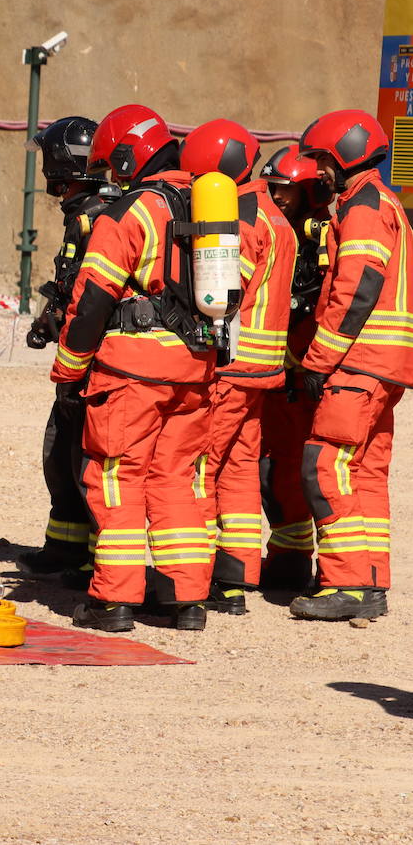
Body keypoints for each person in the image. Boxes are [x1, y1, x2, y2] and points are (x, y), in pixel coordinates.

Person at [51, 104, 215, 632]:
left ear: (127, 155)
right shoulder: (208, 206)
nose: (111, 175)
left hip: (133, 373)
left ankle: (113, 602)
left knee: (118, 478)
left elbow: (92, 299)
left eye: (112, 164)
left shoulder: (129, 212)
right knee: (178, 481)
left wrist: (69, 369)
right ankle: (184, 600)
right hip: (195, 369)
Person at [290, 109, 412, 620]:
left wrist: (318, 359)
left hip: (359, 362)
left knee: (323, 466)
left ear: (348, 152)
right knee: (363, 473)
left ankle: (347, 583)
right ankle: (372, 580)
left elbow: (356, 288)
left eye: (321, 159)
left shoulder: (362, 206)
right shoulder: (386, 203)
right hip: (386, 363)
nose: (317, 170)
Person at [179, 119, 296, 615]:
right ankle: (240, 569)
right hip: (263, 368)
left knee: (202, 464)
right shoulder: (274, 214)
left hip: (231, 365)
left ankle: (204, 574)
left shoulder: (242, 219)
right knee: (241, 466)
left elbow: (223, 294)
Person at [18, 116, 113, 582]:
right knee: (61, 453)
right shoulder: (85, 212)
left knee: (84, 459)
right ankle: (65, 545)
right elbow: (72, 284)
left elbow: (94, 293)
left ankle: (100, 560)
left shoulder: (99, 217)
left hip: (93, 361)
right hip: (79, 353)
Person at [256, 145, 333, 591]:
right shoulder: (275, 227)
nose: (277, 196)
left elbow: (327, 290)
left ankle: (330, 569)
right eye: (273, 188)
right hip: (282, 370)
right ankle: (288, 558)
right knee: (275, 468)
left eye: (286, 190)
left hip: (309, 369)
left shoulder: (321, 231)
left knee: (309, 468)